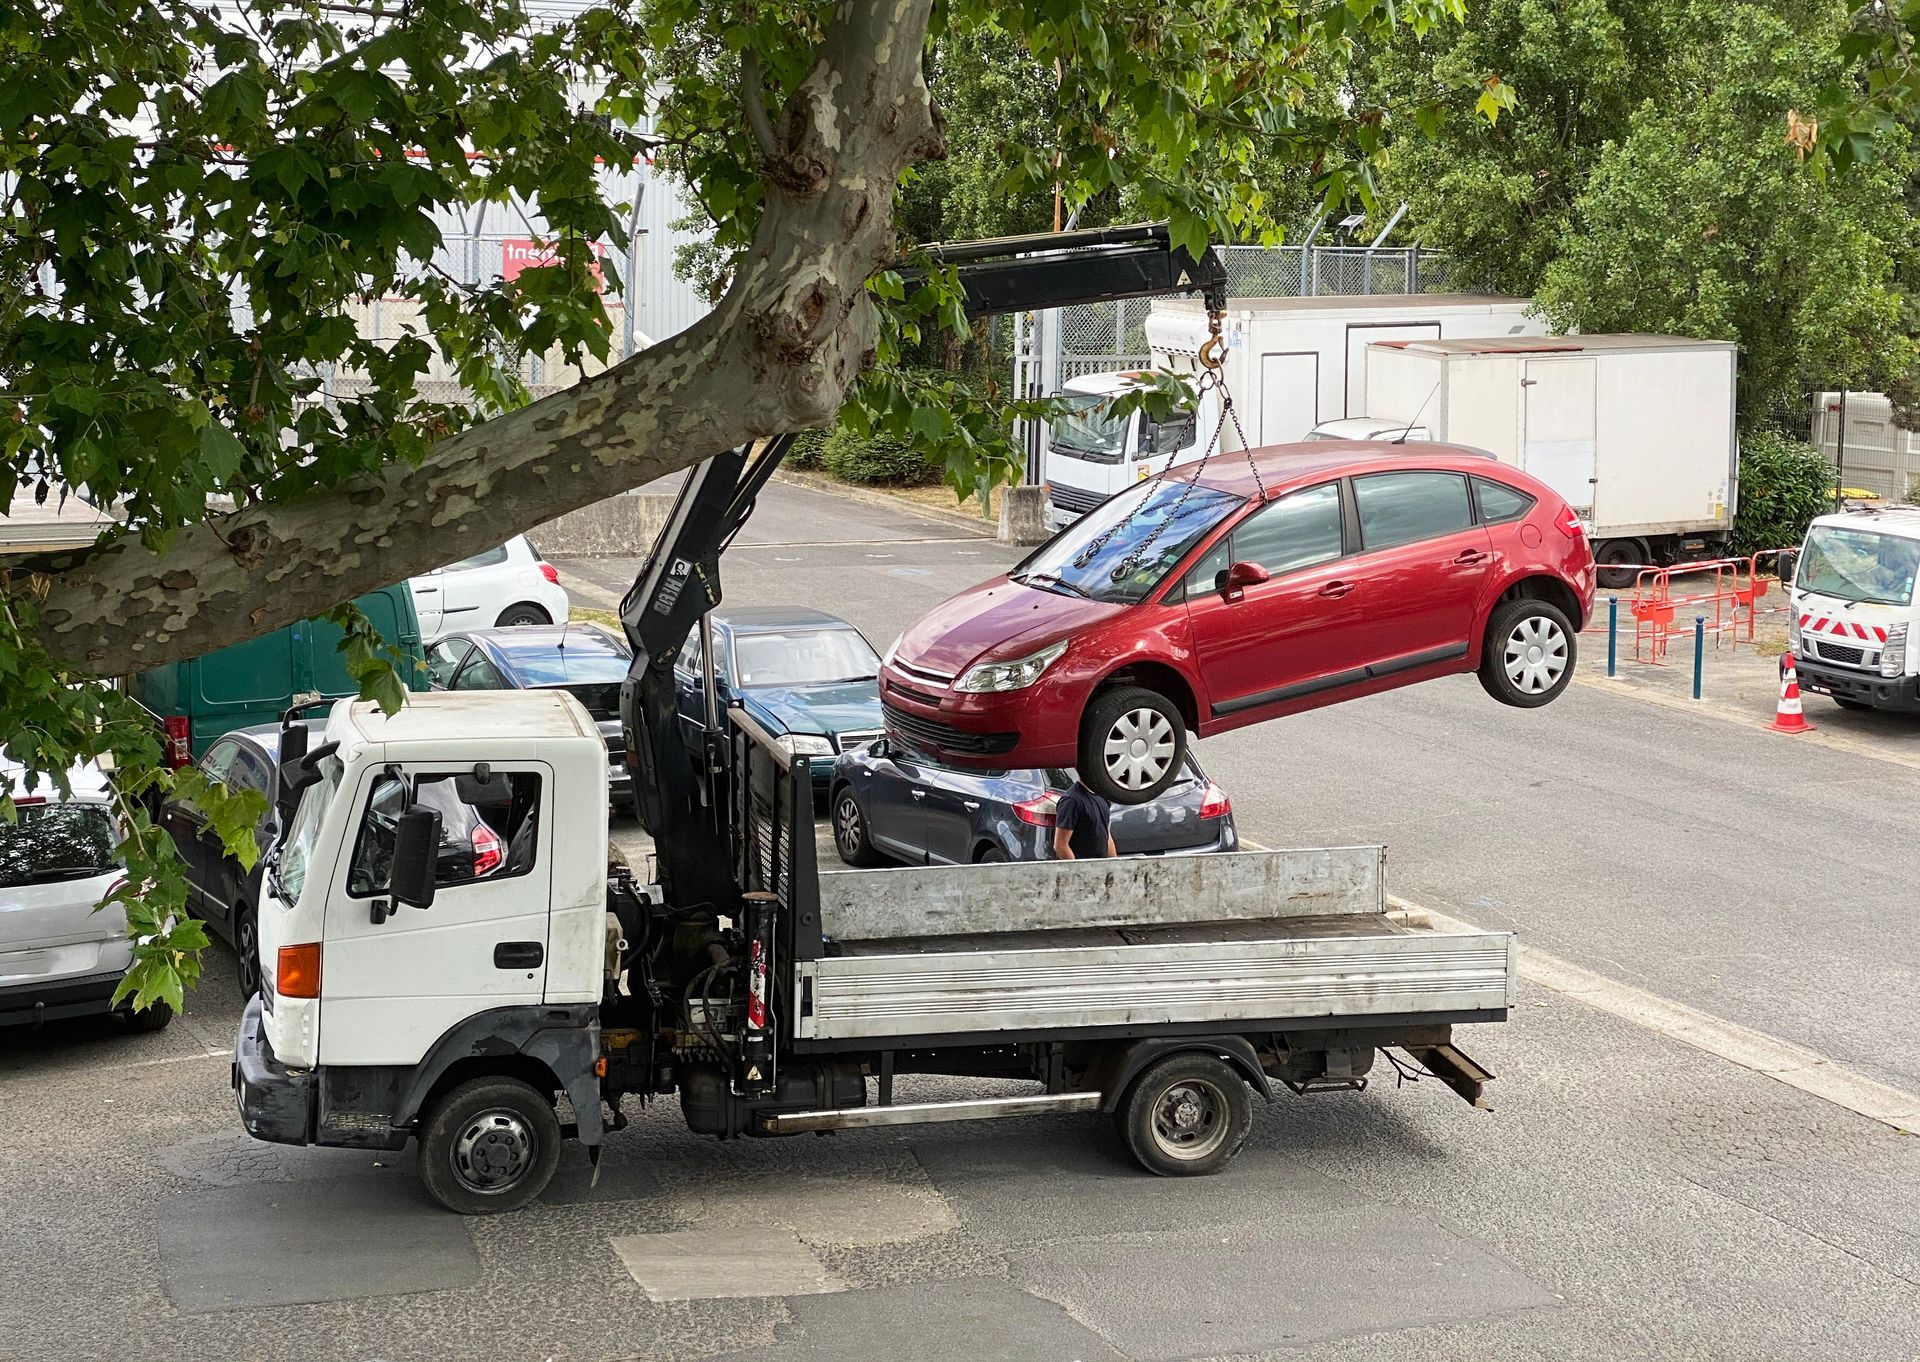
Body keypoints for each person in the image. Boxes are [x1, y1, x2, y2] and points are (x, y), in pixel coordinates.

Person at [1052, 775, 1117, 860]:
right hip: (1083, 869)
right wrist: (1079, 870)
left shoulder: (1102, 796)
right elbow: (1060, 846)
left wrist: (1114, 865)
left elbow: (1106, 835)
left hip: (1101, 868)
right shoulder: (1071, 801)